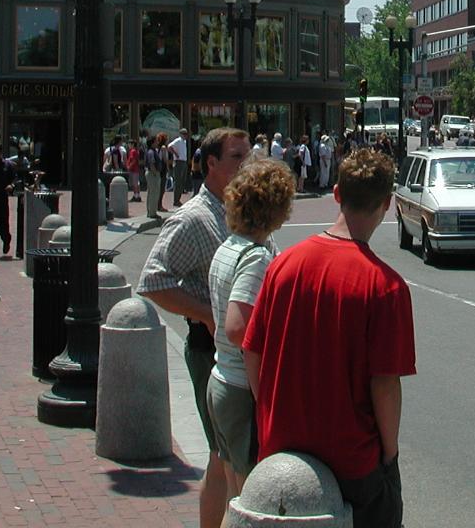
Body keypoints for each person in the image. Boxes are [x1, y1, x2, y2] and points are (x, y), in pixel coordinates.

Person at [243, 149, 415, 528]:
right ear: (387, 203)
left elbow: (251, 352)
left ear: (337, 193)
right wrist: (390, 454)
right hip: (353, 460)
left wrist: (271, 412)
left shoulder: (283, 265)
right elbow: (385, 384)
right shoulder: (386, 286)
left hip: (282, 448)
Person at [139, 127, 253, 528]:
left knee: (224, 458)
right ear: (211, 164)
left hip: (241, 354)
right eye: (237, 157)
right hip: (211, 352)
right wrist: (205, 312)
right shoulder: (194, 219)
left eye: (248, 155)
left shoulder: (241, 212)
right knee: (227, 457)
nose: (246, 164)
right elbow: (153, 280)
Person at [206, 158, 294, 506]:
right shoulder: (256, 257)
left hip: (222, 380)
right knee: (250, 497)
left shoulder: (228, 247)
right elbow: (237, 328)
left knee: (234, 490)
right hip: (243, 388)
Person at [169, 128, 191, 206]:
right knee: (178, 182)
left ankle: (178, 199)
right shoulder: (178, 140)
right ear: (181, 134)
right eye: (184, 134)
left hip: (184, 161)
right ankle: (176, 200)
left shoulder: (184, 142)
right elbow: (170, 146)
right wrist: (175, 154)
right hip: (179, 162)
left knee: (182, 181)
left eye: (186, 134)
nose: (186, 135)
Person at [125, 136, 142, 202]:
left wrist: (129, 167)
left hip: (134, 170)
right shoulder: (134, 151)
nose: (128, 145)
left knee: (135, 183)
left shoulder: (133, 151)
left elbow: (133, 160)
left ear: (132, 144)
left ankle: (136, 196)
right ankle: (137, 195)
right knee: (136, 183)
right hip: (135, 169)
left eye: (129, 144)